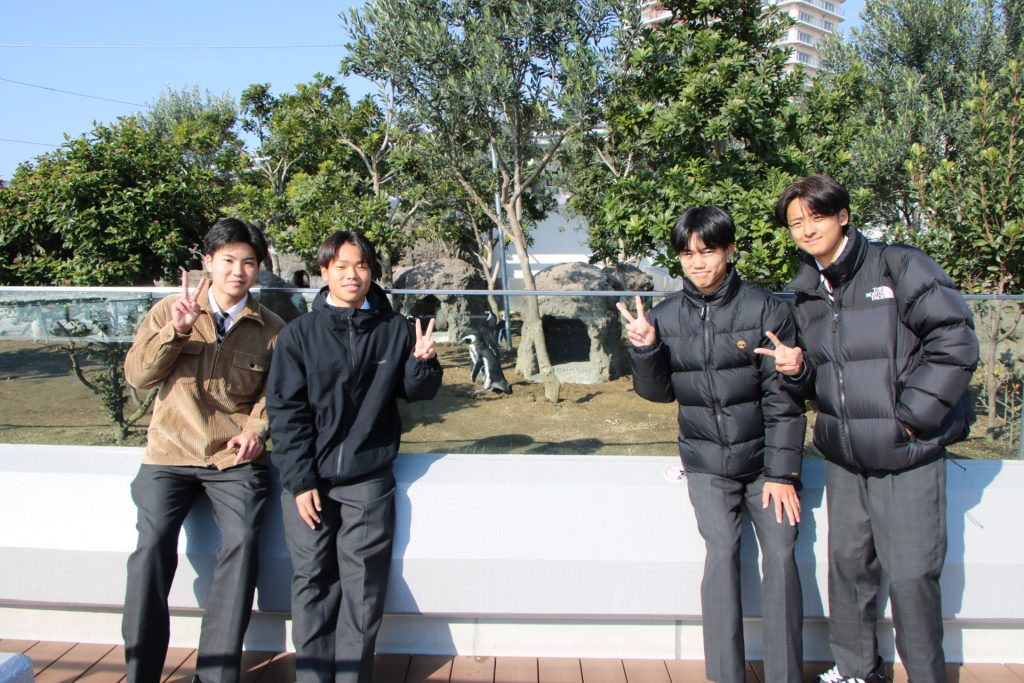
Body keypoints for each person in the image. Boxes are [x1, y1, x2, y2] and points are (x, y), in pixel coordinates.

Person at [767, 175, 979, 683]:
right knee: (848, 571)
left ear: (843, 216)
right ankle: (857, 671)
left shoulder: (898, 266)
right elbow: (829, 375)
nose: (807, 229)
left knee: (911, 577)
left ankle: (925, 675)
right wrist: (798, 370)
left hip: (906, 455)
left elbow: (955, 342)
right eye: (796, 222)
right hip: (846, 458)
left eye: (817, 216)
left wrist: (911, 420)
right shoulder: (807, 291)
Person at [617, 206, 806, 683]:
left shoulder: (765, 309)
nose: (697, 263)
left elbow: (783, 401)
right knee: (721, 556)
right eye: (687, 254)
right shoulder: (665, 315)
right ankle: (726, 675)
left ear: (730, 250)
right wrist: (646, 349)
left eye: (707, 251)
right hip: (705, 463)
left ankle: (785, 675)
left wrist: (782, 474)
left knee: (781, 555)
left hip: (765, 466)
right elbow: (658, 392)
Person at [266, 230, 443, 683]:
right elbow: (285, 413)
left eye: (361, 266)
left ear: (372, 272)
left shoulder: (395, 329)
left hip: (368, 477)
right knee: (312, 582)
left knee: (363, 588)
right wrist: (300, 481)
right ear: (324, 271)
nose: (352, 275)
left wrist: (423, 362)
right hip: (309, 481)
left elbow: (417, 392)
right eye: (341, 266)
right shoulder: (299, 335)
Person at [122, 218, 285, 683]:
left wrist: (256, 430)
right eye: (228, 260)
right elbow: (138, 377)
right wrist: (175, 332)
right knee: (152, 545)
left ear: (258, 268)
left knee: (242, 542)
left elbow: (275, 396)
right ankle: (141, 672)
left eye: (249, 262)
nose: (238, 271)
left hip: (233, 459)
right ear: (208, 262)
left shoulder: (272, 328)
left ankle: (214, 675)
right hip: (169, 454)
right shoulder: (169, 309)